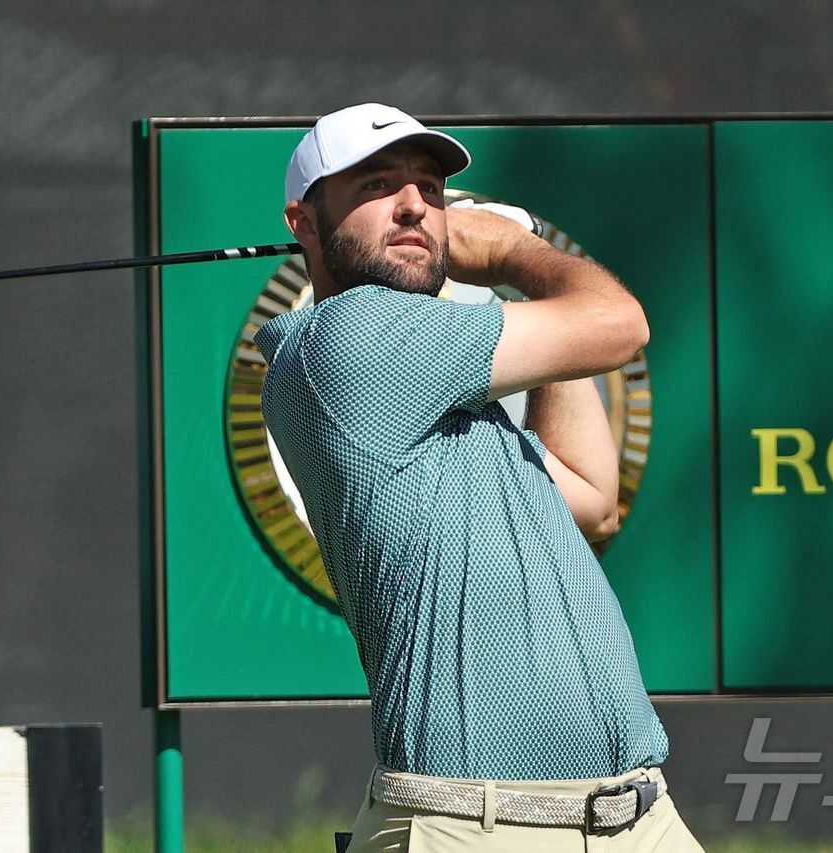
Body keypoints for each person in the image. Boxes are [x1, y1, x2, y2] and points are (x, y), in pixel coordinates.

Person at [255, 103, 703, 851]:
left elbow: (591, 499)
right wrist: (514, 253)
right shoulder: (348, 339)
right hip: (473, 825)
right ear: (303, 221)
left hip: (636, 819)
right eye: (377, 185)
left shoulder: (450, 404)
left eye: (430, 189)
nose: (414, 207)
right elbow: (619, 323)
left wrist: (525, 283)